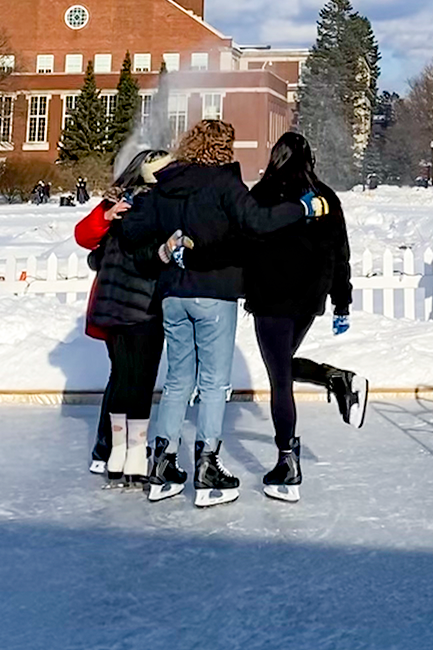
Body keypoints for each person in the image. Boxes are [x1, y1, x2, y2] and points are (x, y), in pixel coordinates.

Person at [120, 120, 329, 508]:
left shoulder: (165, 184)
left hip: (172, 295)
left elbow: (131, 230)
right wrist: (301, 208)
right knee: (214, 382)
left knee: (179, 378)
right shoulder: (223, 183)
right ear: (223, 148)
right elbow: (258, 222)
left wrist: (163, 242)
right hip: (214, 294)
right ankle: (206, 466)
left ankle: (163, 465)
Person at [244, 131, 364, 504]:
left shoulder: (261, 195)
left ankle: (287, 462)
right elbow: (339, 250)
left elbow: (244, 239)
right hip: (307, 298)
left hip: (271, 297)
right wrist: (340, 299)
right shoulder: (325, 197)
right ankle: (334, 377)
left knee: (279, 377)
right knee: (280, 365)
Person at [74, 151, 171, 485]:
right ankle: (119, 450)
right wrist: (107, 216)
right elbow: (85, 235)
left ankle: (117, 450)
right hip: (137, 306)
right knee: (132, 379)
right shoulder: (137, 208)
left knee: (125, 377)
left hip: (114, 303)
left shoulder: (149, 205)